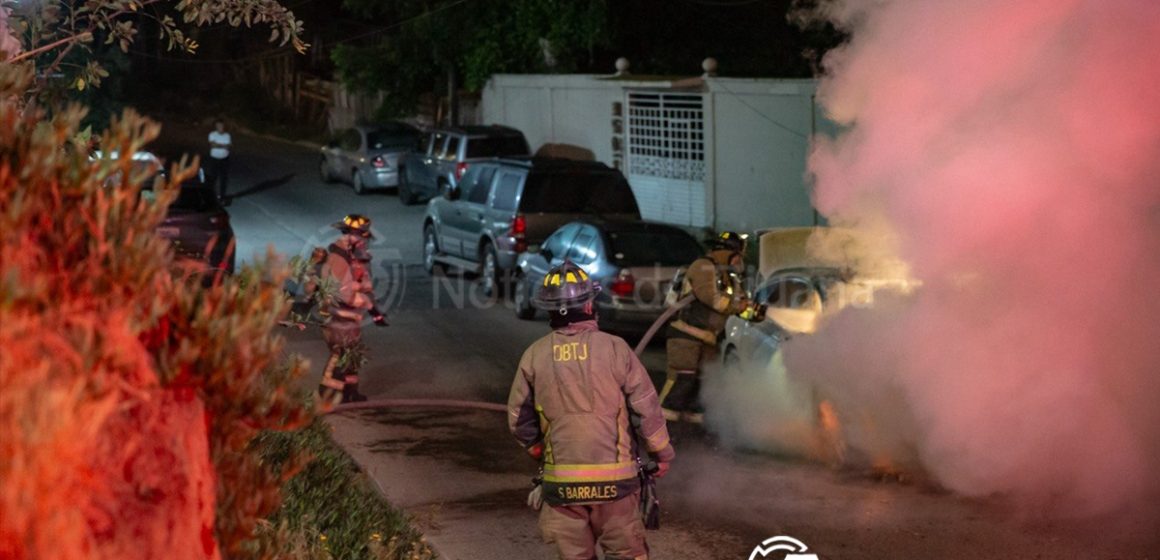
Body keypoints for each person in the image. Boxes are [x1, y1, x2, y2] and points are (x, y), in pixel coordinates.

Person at [508, 261, 675, 560]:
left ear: (548, 308)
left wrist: (539, 450)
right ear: (588, 305)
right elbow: (647, 410)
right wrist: (661, 455)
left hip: (562, 488)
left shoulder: (533, 355)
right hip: (617, 486)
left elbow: (519, 419)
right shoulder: (615, 348)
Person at [661, 231, 752, 424]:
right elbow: (711, 298)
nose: (740, 260)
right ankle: (660, 427)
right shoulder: (703, 267)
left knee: (701, 383)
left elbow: (740, 304)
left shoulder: (729, 277)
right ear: (727, 252)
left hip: (708, 337)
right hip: (686, 334)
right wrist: (738, 306)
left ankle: (691, 432)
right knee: (683, 379)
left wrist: (753, 310)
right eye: (737, 255)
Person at [314, 214, 387, 403]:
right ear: (351, 235)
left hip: (351, 318)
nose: (365, 240)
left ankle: (350, 392)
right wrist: (361, 297)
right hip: (338, 317)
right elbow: (341, 292)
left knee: (353, 354)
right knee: (340, 354)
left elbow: (364, 282)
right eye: (362, 236)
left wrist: (371, 305)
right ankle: (328, 392)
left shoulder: (355, 256)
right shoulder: (338, 258)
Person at [206, 119, 231, 203]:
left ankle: (222, 197)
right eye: (217, 125)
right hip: (214, 159)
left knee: (223, 179)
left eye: (220, 125)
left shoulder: (227, 135)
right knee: (213, 178)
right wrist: (223, 145)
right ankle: (211, 196)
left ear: (223, 126)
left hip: (224, 159)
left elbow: (228, 147)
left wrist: (218, 145)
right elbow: (212, 145)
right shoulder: (212, 134)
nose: (219, 127)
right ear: (215, 126)